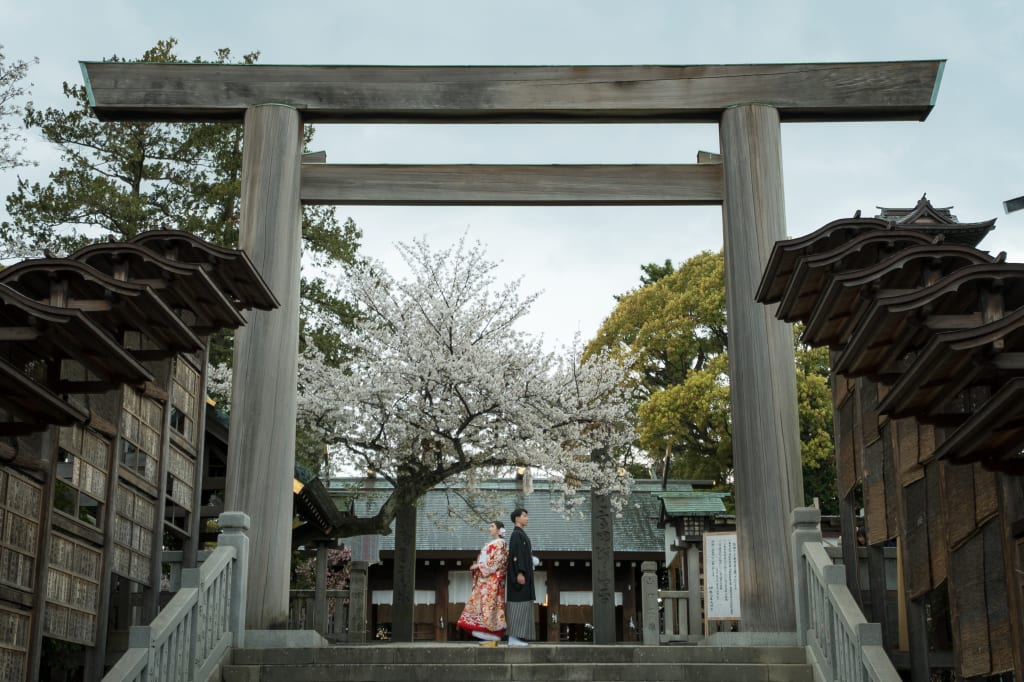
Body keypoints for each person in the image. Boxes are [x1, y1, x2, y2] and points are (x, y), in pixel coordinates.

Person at [456, 521, 508, 645]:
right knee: (478, 604)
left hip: (492, 580)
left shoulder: (501, 544)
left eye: (492, 526)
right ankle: (483, 631)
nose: (489, 528)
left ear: (499, 529)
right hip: (483, 579)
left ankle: (491, 632)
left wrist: (479, 566)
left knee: (489, 605)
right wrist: (479, 567)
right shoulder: (490, 544)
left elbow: (496, 562)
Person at [504, 508, 536, 646]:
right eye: (524, 516)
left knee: (524, 604)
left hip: (525, 574)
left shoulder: (521, 534)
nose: (527, 518)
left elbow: (524, 554)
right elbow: (516, 556)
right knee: (518, 605)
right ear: (517, 518)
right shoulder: (516, 535)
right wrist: (520, 572)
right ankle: (514, 637)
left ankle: (520, 637)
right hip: (520, 575)